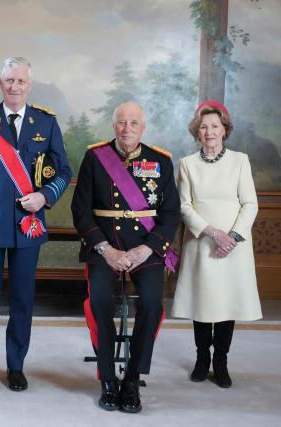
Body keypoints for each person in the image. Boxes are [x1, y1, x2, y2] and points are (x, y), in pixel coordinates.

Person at [0, 57, 72, 392]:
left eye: (21, 81)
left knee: (22, 300)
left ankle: (17, 366)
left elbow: (63, 171)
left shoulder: (46, 123)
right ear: (0, 83)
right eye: (9, 81)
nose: (15, 87)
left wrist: (45, 196)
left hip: (28, 223)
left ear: (29, 85)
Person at [71, 102, 180, 413]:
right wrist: (106, 249)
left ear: (143, 127)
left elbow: (171, 213)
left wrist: (146, 249)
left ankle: (131, 379)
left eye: (134, 123)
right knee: (100, 302)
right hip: (105, 248)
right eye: (121, 122)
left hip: (146, 248)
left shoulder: (161, 161)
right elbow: (81, 210)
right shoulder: (95, 157)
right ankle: (108, 378)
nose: (127, 128)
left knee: (150, 303)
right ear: (113, 125)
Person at [172, 100, 261, 388]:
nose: (209, 132)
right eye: (203, 127)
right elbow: (184, 207)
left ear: (225, 130)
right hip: (201, 242)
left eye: (214, 126)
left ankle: (220, 361)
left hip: (233, 246)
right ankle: (201, 359)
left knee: (225, 304)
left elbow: (249, 204)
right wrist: (212, 233)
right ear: (196, 132)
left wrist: (232, 237)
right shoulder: (187, 164)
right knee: (202, 302)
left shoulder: (240, 160)